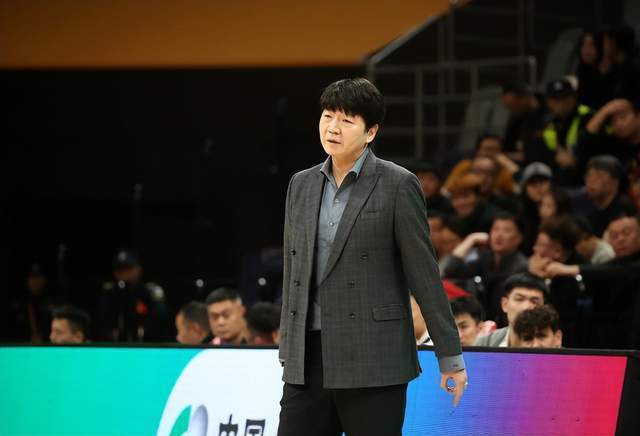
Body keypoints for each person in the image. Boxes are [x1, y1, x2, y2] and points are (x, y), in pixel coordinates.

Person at [277, 78, 466, 436]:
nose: (333, 128)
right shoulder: (300, 184)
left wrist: (449, 355)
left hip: (374, 357)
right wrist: (288, 344)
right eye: (328, 116)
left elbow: (424, 274)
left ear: (371, 132)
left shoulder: (398, 183)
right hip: (307, 356)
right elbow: (294, 270)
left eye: (347, 120)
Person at [544, 213, 640, 348]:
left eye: (626, 233)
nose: (620, 239)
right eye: (614, 235)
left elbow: (624, 270)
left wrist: (572, 269)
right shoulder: (609, 265)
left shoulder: (626, 267)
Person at [442, 212, 529, 322]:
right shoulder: (486, 258)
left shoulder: (520, 266)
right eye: (496, 229)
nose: (499, 235)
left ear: (519, 238)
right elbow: (450, 270)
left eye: (506, 230)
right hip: (485, 321)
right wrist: (471, 239)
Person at [96, 250, 170, 342]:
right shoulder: (110, 293)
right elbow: (103, 321)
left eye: (129, 269)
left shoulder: (149, 291)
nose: (125, 274)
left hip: (147, 343)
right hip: (117, 344)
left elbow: (161, 317)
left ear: (138, 269)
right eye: (121, 270)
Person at [539, 78, 593, 185]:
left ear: (573, 98)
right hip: (556, 176)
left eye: (564, 98)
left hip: (584, 176)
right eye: (554, 98)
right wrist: (556, 156)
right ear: (548, 101)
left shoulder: (587, 116)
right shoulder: (548, 122)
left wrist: (574, 161)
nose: (559, 103)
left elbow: (592, 149)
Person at [474, 272, 549, 347]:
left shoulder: (551, 344)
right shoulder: (485, 343)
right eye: (519, 299)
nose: (526, 307)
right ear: (505, 304)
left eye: (534, 301)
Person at [574, 155, 637, 236]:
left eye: (599, 176)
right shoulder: (587, 209)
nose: (591, 181)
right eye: (588, 176)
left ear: (615, 182)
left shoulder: (625, 210)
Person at [500, 81, 547, 164]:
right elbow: (507, 145)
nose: (510, 110)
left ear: (526, 98)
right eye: (507, 106)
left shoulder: (547, 114)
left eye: (513, 105)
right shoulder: (515, 118)